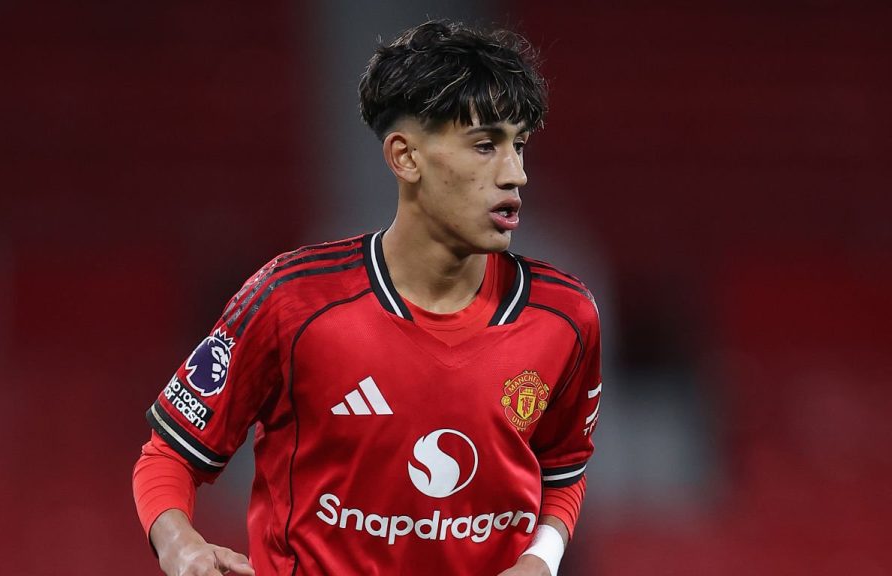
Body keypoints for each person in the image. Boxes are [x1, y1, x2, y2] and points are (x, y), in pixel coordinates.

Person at [132, 20, 602, 576]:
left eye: (518, 145)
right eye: (485, 146)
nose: (515, 173)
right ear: (405, 157)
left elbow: (565, 467)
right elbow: (167, 456)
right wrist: (181, 546)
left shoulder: (565, 317)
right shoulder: (292, 301)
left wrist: (540, 562)